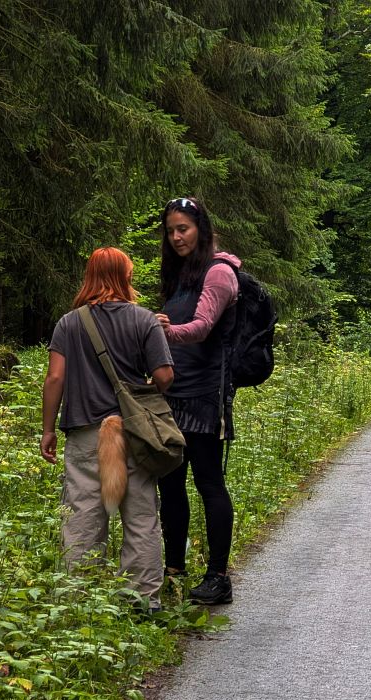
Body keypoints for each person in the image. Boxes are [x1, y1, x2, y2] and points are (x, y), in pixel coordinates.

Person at [41, 247, 174, 612]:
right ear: (125, 276)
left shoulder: (69, 323)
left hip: (85, 434)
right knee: (141, 517)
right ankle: (142, 602)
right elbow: (163, 376)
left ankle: (79, 604)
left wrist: (47, 429)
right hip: (134, 434)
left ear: (90, 276)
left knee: (83, 516)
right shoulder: (145, 320)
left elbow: (55, 378)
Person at [155, 196, 241, 605]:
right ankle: (173, 570)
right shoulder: (178, 276)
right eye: (170, 230)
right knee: (170, 485)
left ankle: (218, 577)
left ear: (201, 229)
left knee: (208, 483)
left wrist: (161, 332)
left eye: (183, 228)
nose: (176, 237)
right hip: (171, 396)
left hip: (206, 396)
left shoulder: (219, 272)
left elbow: (203, 327)